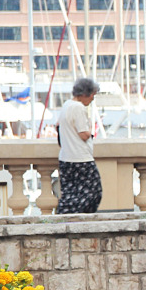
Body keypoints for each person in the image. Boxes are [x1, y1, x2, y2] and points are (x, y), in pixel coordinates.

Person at [56, 77, 102, 214]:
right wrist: (90, 132)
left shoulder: (66, 105)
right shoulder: (78, 108)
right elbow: (83, 134)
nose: (93, 99)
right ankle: (77, 218)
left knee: (70, 193)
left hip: (66, 158)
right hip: (80, 159)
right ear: (85, 94)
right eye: (92, 95)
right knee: (94, 192)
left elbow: (57, 126)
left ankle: (64, 217)